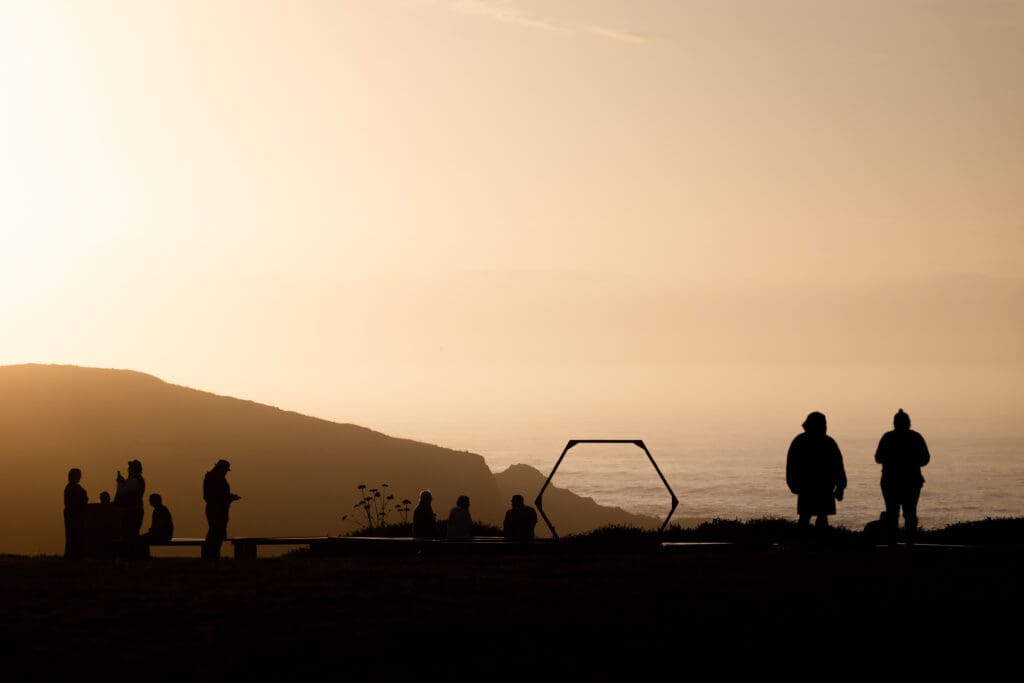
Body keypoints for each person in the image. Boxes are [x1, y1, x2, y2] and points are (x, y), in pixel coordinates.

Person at [875, 408, 931, 546]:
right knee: (910, 513)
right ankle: (909, 542)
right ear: (909, 423)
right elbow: (925, 459)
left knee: (893, 513)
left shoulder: (887, 437)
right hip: (911, 481)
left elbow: (878, 457)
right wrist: (911, 462)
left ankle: (892, 543)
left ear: (894, 423)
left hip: (891, 481)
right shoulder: (916, 437)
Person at [786, 411, 847, 533]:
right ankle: (813, 544)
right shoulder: (827, 442)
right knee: (812, 517)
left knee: (811, 517)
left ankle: (808, 545)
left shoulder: (801, 440)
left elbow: (791, 466)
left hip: (817, 486)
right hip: (814, 486)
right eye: (823, 424)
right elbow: (838, 466)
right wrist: (840, 486)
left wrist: (840, 486)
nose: (825, 427)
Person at [202, 459, 240, 559]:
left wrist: (228, 497)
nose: (226, 472)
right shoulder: (216, 479)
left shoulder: (210, 477)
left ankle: (211, 554)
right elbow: (216, 496)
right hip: (218, 509)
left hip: (215, 508)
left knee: (216, 531)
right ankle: (211, 554)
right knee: (216, 532)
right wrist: (230, 498)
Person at [114, 459, 146, 558]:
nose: (128, 470)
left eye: (129, 468)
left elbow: (122, 493)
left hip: (132, 511)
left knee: (129, 535)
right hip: (134, 510)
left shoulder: (134, 481)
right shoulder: (137, 480)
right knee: (131, 534)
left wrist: (120, 483)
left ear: (132, 469)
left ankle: (130, 556)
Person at [63, 468, 89, 560]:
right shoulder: (71, 488)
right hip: (73, 515)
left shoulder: (72, 487)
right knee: (73, 535)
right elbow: (72, 502)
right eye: (78, 475)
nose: (80, 477)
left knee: (75, 535)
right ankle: (73, 555)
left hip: (75, 514)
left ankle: (75, 555)